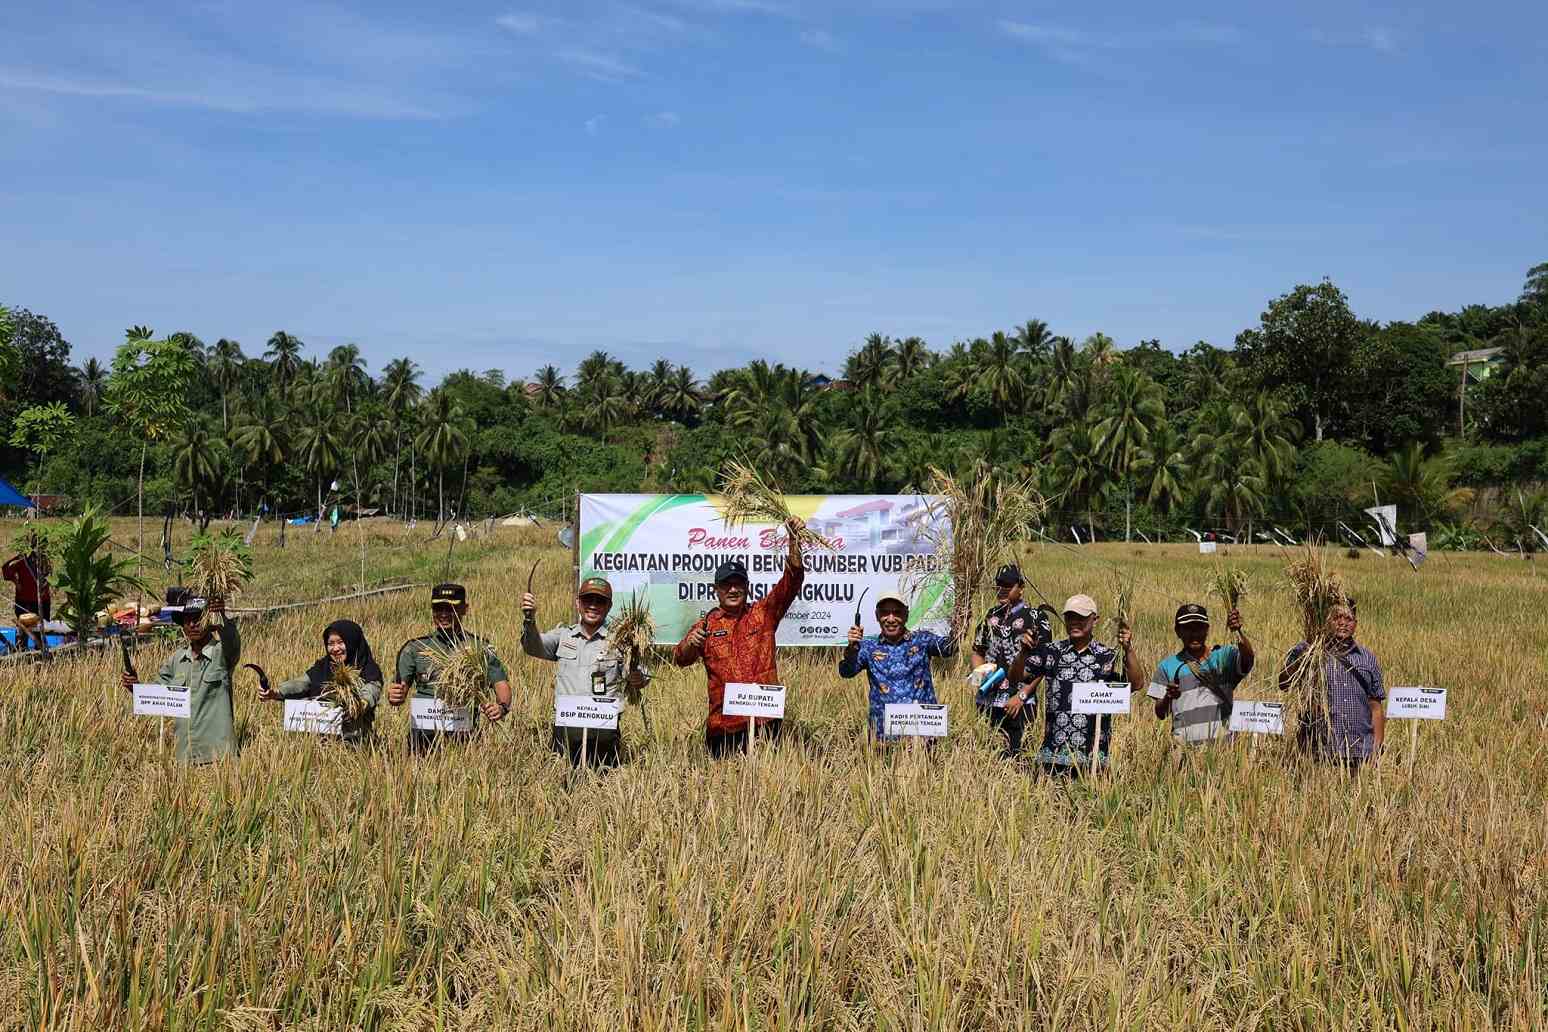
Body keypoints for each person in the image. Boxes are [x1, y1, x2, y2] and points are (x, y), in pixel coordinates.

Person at [673, 516, 806, 758]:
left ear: (747, 587)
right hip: (723, 728)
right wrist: (691, 644)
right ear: (716, 590)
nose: (733, 589)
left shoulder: (764, 614)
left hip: (765, 724)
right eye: (726, 585)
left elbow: (792, 579)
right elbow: (680, 658)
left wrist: (794, 539)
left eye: (738, 584)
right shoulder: (706, 624)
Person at [1008, 594, 1146, 776]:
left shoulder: (1107, 656)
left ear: (1094, 620)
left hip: (1093, 757)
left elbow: (1136, 684)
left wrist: (1128, 649)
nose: (1074, 622)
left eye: (1080, 618)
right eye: (1070, 617)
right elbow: (1015, 678)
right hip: (1053, 755)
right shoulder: (1051, 652)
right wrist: (1023, 653)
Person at [521, 575, 648, 769]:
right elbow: (532, 647)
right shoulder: (563, 636)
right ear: (578, 603)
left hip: (604, 734)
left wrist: (639, 678)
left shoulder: (620, 641)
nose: (593, 605)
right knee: (563, 787)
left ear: (609, 606)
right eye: (588, 599)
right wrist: (529, 619)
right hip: (566, 732)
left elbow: (641, 671)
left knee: (603, 791)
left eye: (600, 601)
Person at [386, 583, 512, 754]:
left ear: (465, 609)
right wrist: (394, 695)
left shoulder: (479, 647)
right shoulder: (415, 648)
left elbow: (501, 684)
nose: (444, 614)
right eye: (438, 608)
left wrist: (501, 707)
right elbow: (398, 693)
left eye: (451, 608)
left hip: (465, 740)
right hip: (422, 741)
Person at [119, 591, 242, 764]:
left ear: (209, 622)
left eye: (198, 618)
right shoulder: (177, 659)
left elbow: (233, 642)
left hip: (220, 759)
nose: (192, 624)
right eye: (187, 620)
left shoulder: (221, 653)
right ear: (182, 626)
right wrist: (136, 687)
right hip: (185, 760)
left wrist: (221, 616)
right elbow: (158, 695)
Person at [839, 591, 957, 742]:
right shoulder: (868, 647)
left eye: (897, 613)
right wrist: (852, 649)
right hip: (883, 739)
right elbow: (846, 672)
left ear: (906, 615)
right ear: (877, 616)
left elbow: (950, 648)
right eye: (885, 613)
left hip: (922, 738)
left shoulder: (922, 640)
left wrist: (961, 619)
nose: (891, 619)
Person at [1279, 599, 1385, 768]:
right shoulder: (1307, 651)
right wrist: (1303, 656)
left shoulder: (1367, 659)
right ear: (1326, 619)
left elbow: (1376, 708)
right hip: (1319, 753)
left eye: (1348, 619)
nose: (1342, 623)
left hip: (1360, 753)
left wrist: (1376, 749)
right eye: (1336, 617)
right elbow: (1284, 683)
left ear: (1355, 624)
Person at [971, 564, 1053, 757]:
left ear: (1021, 587)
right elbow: (977, 651)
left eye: (1008, 586)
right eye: (998, 585)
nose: (1002, 590)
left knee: (1018, 757)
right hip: (987, 700)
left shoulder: (1036, 618)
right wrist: (979, 679)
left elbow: (1044, 663)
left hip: (1019, 702)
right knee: (986, 757)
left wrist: (1022, 695)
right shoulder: (989, 616)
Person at [257, 619, 383, 744]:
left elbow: (372, 690)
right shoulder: (323, 666)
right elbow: (303, 683)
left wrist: (359, 704)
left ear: (352, 642)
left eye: (340, 642)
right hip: (319, 741)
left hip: (354, 741)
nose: (335, 648)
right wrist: (276, 692)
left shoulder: (368, 669)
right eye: (331, 643)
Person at [1151, 603, 1255, 746]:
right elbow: (1160, 713)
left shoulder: (1223, 657)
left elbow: (1248, 659)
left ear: (1207, 629)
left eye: (1199, 628)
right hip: (1184, 751)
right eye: (1188, 628)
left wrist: (1238, 632)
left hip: (1222, 749)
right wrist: (1168, 697)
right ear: (1178, 631)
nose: (1194, 634)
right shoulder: (1167, 666)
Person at [4, 533, 52, 646]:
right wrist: (16, 582)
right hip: (25, 601)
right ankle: (21, 653)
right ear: (33, 546)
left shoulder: (46, 561)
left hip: (43, 601)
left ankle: (41, 652)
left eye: (44, 546)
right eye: (39, 546)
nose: (42, 549)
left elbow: (49, 578)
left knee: (41, 630)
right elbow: (6, 570)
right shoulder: (23, 560)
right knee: (23, 631)